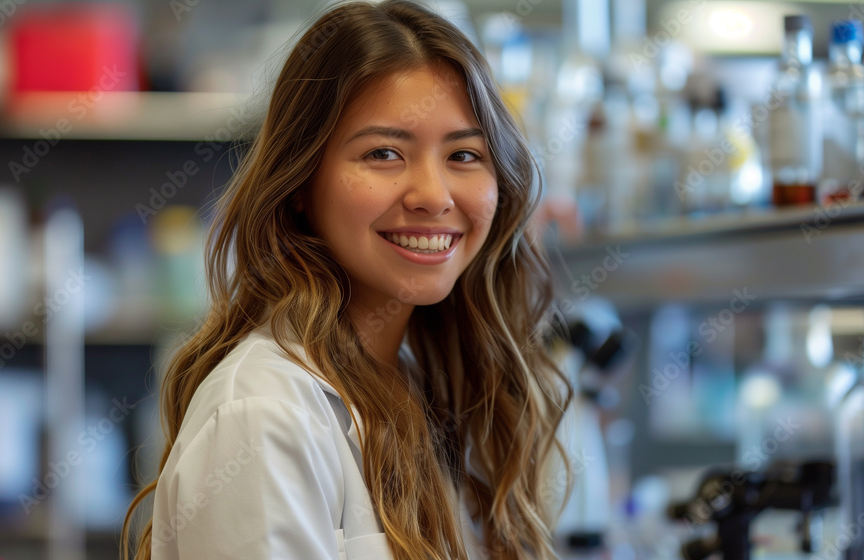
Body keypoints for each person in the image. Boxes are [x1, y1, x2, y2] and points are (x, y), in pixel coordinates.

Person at [121, 1, 573, 558]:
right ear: (300, 185)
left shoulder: (425, 383)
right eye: (383, 153)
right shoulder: (264, 415)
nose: (433, 195)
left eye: (463, 154)